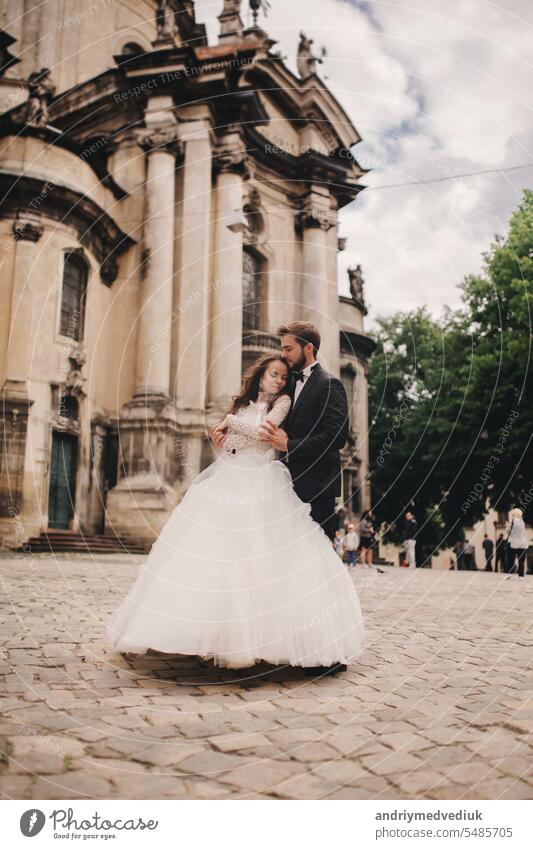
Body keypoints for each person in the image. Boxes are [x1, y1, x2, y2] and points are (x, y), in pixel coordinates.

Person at [106, 353, 365, 675]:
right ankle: (203, 633)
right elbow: (230, 443)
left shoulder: (281, 404)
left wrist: (229, 423)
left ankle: (268, 641)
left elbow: (262, 433)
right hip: (229, 475)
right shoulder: (243, 403)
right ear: (260, 376)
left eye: (283, 377)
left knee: (260, 554)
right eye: (273, 374)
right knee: (211, 555)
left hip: (262, 479)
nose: (279, 381)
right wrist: (227, 435)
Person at [505, 508, 529, 580]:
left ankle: (509, 573)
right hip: (522, 543)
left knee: (510, 559)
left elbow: (509, 531)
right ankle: (521, 575)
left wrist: (507, 526)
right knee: (521, 560)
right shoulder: (522, 522)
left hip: (513, 543)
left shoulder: (513, 521)